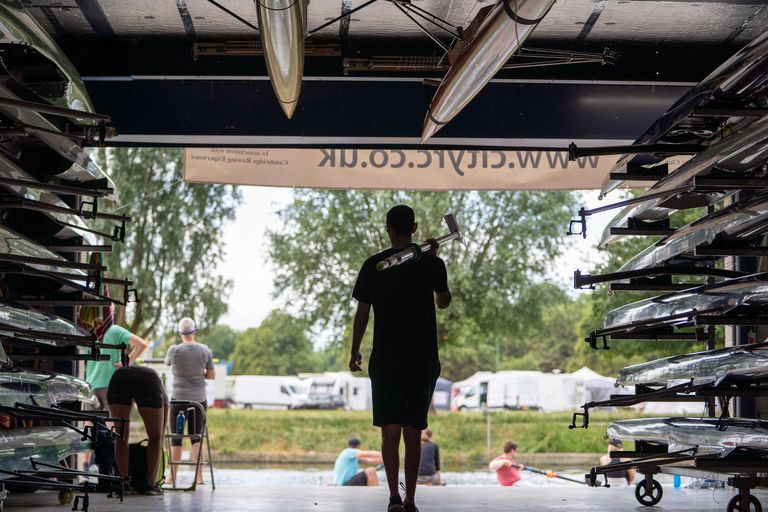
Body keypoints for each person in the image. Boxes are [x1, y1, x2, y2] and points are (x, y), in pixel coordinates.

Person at [349, 205, 452, 512]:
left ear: (387, 227)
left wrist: (355, 349)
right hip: (422, 360)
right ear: (415, 228)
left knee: (390, 431)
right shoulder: (433, 264)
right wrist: (433, 262)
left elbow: (362, 313)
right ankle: (410, 500)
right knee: (414, 430)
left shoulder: (375, 265)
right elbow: (444, 302)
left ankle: (393, 496)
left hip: (386, 360)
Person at [107, 344, 169, 495]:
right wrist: (160, 435)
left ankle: (124, 483)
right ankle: (150, 485)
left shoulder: (126, 372)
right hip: (147, 382)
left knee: (121, 436)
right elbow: (165, 408)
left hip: (119, 379)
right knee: (155, 437)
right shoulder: (156, 381)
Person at [164, 317, 215, 485]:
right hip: (199, 400)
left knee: (176, 437)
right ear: (194, 332)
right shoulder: (205, 350)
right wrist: (199, 374)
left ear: (180, 333)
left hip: (179, 399)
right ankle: (199, 478)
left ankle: (172, 477)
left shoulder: (174, 350)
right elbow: (212, 375)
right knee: (197, 437)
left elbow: (167, 363)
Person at [85, 324, 148, 412]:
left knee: (89, 421)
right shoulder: (114, 330)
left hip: (91, 385)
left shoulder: (87, 332)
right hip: (111, 384)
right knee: (113, 421)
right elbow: (142, 345)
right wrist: (127, 361)